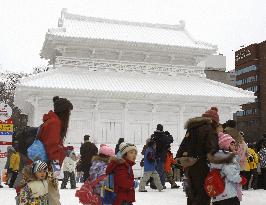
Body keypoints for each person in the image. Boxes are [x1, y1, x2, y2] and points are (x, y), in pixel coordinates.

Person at [177, 107, 234, 205]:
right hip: (201, 166)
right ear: (214, 121)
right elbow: (211, 150)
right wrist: (227, 156)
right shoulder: (208, 129)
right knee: (202, 194)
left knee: (192, 194)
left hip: (188, 165)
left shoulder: (192, 128)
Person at [38, 96, 73, 205]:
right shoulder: (54, 123)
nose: (69, 115)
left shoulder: (50, 121)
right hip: (48, 165)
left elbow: (52, 144)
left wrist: (64, 149)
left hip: (43, 165)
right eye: (68, 112)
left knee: (48, 196)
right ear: (64, 112)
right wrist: (56, 168)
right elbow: (51, 147)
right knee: (53, 197)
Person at [211, 133, 246, 205]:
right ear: (225, 145)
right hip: (229, 194)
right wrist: (241, 179)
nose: (234, 146)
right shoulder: (228, 158)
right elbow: (231, 175)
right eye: (231, 144)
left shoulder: (216, 157)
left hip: (218, 195)